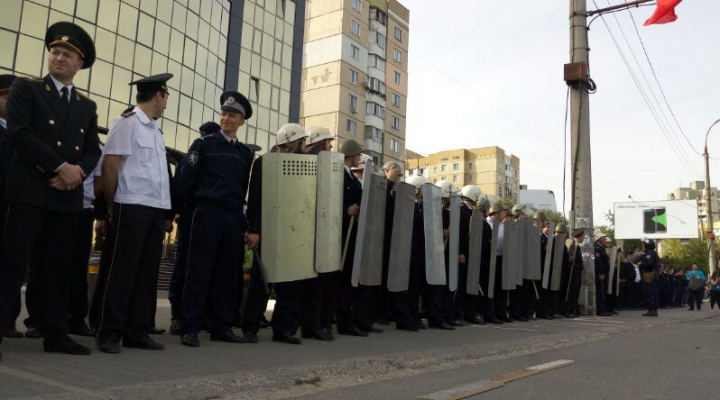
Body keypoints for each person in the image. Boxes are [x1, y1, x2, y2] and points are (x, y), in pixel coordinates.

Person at [0, 22, 100, 358]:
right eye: (55, 51)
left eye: (67, 54)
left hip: (65, 196)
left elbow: (93, 149)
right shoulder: (26, 90)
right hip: (28, 191)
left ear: (79, 64)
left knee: (57, 267)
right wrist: (60, 167)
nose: (59, 57)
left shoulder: (87, 107)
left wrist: (78, 171)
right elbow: (21, 134)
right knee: (12, 265)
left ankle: (54, 333)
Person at [91, 73, 174, 353]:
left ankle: (136, 331)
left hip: (153, 207)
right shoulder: (126, 122)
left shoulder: (154, 130)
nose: (165, 104)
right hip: (130, 204)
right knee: (121, 272)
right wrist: (112, 204)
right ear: (158, 95)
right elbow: (110, 165)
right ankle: (108, 331)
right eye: (166, 98)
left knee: (146, 273)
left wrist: (164, 211)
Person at [178, 91, 255, 348]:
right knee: (198, 272)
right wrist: (192, 212)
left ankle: (222, 327)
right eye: (223, 113)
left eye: (232, 115)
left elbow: (243, 187)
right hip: (207, 213)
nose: (226, 118)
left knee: (227, 274)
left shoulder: (245, 154)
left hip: (232, 217)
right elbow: (186, 183)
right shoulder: (204, 145)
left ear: (242, 121)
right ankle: (189, 326)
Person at [247, 123, 310, 344]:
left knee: (290, 284)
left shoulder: (304, 165)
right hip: (268, 230)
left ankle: (283, 329)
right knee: (262, 281)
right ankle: (250, 326)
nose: (305, 145)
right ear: (294, 142)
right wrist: (254, 230)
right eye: (302, 141)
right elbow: (254, 199)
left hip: (293, 233)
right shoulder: (264, 162)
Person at [168, 121, 221, 335]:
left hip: (202, 218)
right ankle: (177, 317)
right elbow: (182, 186)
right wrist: (182, 211)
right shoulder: (195, 153)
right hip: (192, 217)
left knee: (202, 268)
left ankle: (199, 316)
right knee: (185, 266)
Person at [300, 126, 335, 341]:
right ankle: (310, 326)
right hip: (309, 230)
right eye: (328, 142)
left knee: (317, 282)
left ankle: (313, 324)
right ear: (321, 143)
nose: (331, 145)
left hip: (320, 230)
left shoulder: (325, 165)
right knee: (311, 284)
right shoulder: (310, 165)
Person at [488, 203, 512, 322]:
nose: (505, 214)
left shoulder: (503, 225)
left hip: (502, 258)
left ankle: (501, 313)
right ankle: (490, 313)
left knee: (501, 288)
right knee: (491, 287)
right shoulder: (488, 223)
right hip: (490, 258)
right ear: (497, 212)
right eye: (503, 211)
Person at [563, 229, 585, 318]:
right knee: (571, 293)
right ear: (579, 236)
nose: (583, 238)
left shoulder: (577, 246)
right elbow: (570, 260)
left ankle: (573, 310)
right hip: (573, 273)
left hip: (577, 273)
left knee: (575, 293)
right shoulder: (573, 246)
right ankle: (569, 310)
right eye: (583, 236)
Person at [635, 239, 659, 317]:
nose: (643, 246)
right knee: (652, 292)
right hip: (651, 274)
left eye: (644, 245)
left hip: (649, 274)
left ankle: (651, 310)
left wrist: (641, 264)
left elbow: (649, 263)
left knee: (649, 292)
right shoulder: (650, 253)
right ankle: (653, 310)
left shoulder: (650, 253)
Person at [593, 231, 611, 316]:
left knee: (602, 291)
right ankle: (600, 310)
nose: (605, 240)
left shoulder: (601, 248)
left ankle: (603, 309)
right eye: (603, 239)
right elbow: (598, 261)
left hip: (604, 272)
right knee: (600, 292)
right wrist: (600, 273)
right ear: (599, 240)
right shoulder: (596, 248)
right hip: (600, 273)